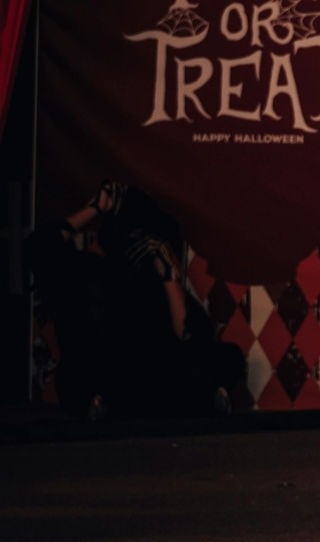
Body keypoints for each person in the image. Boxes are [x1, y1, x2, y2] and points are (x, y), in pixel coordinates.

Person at [26, 180, 244, 420]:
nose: (144, 248)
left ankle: (208, 397)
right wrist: (96, 208)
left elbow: (193, 339)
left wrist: (169, 277)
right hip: (115, 383)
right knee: (75, 372)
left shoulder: (164, 290)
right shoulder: (97, 275)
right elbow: (41, 248)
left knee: (226, 356)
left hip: (163, 391)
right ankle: (97, 404)